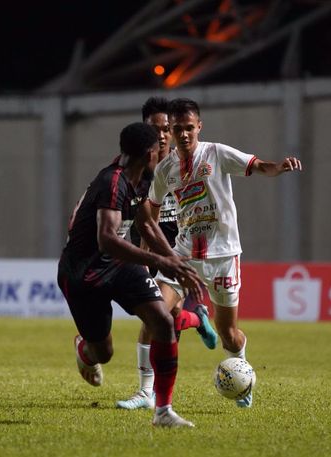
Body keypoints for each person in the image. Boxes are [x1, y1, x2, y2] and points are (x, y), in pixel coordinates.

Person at [148, 98, 303, 408]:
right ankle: (156, 394)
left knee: (229, 335)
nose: (183, 135)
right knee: (158, 316)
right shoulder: (166, 168)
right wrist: (150, 246)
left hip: (223, 256)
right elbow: (151, 206)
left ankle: (242, 375)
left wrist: (279, 167)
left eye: (189, 128)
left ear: (199, 126)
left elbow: (257, 166)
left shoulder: (216, 154)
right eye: (177, 129)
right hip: (184, 255)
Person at [57, 122, 203, 428]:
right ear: (150, 153)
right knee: (103, 353)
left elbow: (147, 224)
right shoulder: (113, 182)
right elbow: (107, 239)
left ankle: (162, 411)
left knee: (162, 321)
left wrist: (172, 260)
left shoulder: (141, 178)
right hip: (85, 274)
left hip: (119, 265)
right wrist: (159, 260)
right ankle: (85, 349)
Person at [117, 97, 218, 411]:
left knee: (153, 315)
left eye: (166, 129)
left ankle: (146, 392)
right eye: (154, 129)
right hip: (149, 241)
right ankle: (195, 319)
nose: (161, 135)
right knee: (165, 316)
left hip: (178, 243)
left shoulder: (181, 162)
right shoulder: (134, 167)